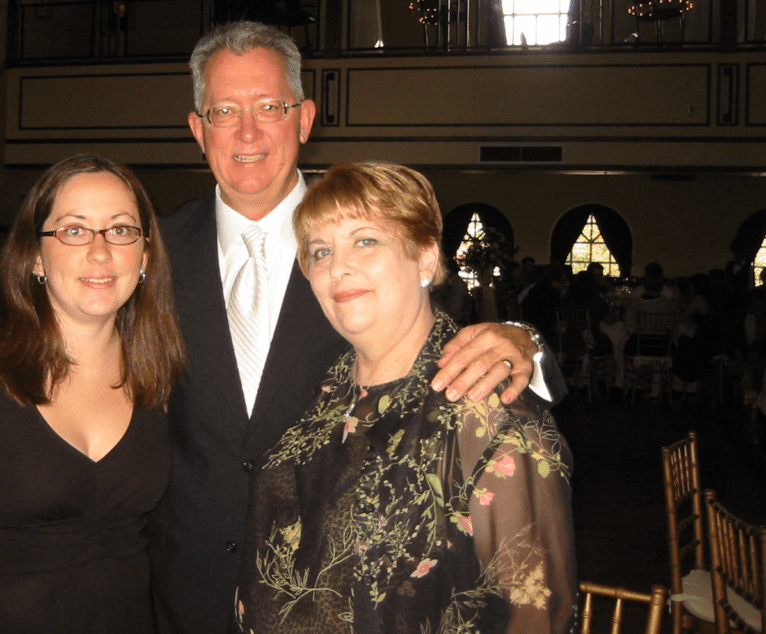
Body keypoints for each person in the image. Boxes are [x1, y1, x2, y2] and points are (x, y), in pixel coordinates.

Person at [0, 22, 565, 634]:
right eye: (224, 112)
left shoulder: (357, 245)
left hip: (330, 599)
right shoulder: (148, 254)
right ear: (197, 127)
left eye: (269, 108)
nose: (247, 133)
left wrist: (523, 343)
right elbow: (58, 309)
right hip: (166, 599)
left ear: (303, 118)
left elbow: (449, 339)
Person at [235, 162, 576, 633]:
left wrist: (526, 339)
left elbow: (537, 614)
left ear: (425, 257)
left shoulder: (484, 412)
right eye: (320, 251)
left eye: (365, 240)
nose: (338, 267)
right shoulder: (324, 386)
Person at [0, 154, 186, 634]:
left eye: (122, 229)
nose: (101, 251)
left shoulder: (160, 374)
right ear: (35, 256)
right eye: (73, 230)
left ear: (145, 256)